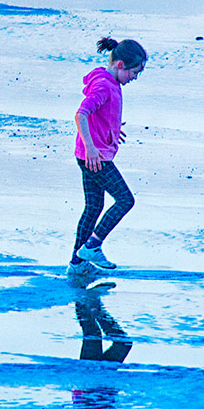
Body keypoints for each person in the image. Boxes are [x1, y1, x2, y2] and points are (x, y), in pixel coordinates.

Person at [68, 37, 147, 273]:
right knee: (125, 200)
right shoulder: (103, 85)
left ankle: (77, 264)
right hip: (94, 157)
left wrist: (112, 129)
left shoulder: (110, 82)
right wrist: (92, 147)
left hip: (90, 154)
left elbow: (98, 115)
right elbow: (81, 114)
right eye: (134, 71)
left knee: (93, 207)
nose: (135, 77)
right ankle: (92, 246)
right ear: (120, 65)